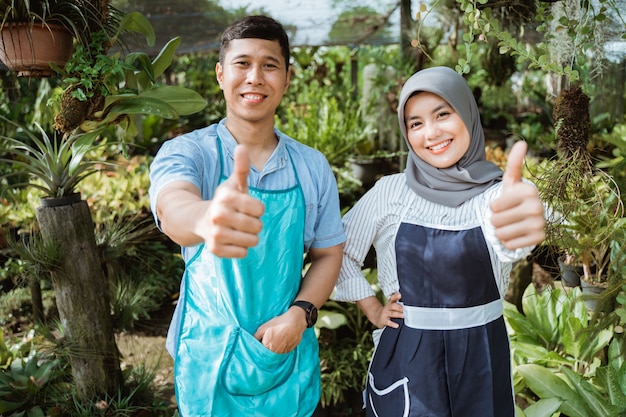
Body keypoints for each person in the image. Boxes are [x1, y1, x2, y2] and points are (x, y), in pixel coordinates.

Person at [148, 15, 345, 417]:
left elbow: (328, 253)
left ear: (287, 78)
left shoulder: (311, 166)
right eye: (242, 64)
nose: (255, 77)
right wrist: (205, 217)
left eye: (269, 65)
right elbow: (173, 206)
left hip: (285, 353)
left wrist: (301, 313)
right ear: (221, 74)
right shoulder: (189, 153)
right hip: (208, 357)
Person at [334, 66, 545, 417]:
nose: (430, 133)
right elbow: (337, 251)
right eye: (415, 123)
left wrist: (518, 227)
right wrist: (372, 308)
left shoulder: (498, 195)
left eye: (443, 114)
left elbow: (511, 242)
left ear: (467, 114)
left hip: (482, 353)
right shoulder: (390, 192)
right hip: (408, 355)